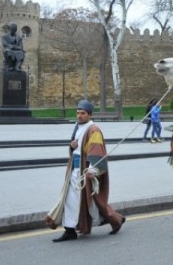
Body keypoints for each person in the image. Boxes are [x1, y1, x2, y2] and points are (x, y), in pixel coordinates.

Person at [45, 100, 125, 242]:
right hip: (74, 170)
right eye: (77, 113)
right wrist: (72, 146)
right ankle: (70, 230)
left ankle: (116, 220)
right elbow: (74, 148)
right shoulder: (77, 127)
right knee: (70, 200)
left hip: (85, 172)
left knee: (94, 201)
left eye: (82, 113)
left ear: (89, 115)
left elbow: (96, 150)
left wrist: (92, 169)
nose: (79, 116)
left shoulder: (93, 130)